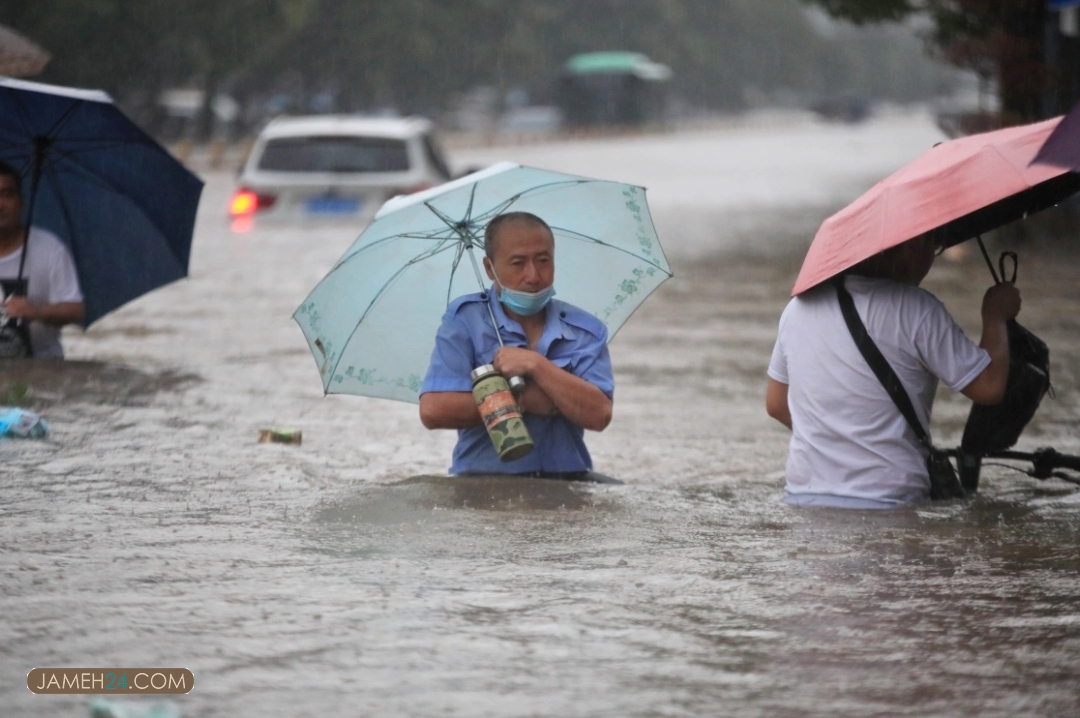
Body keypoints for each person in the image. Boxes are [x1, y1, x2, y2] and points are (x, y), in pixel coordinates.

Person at [765, 232, 1021, 508]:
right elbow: (989, 386)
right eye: (928, 245)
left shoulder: (797, 308)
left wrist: (838, 439)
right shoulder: (918, 310)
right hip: (890, 502)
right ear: (902, 250)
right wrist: (995, 316)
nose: (929, 258)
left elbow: (776, 404)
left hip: (804, 499)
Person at [419, 211, 614, 476]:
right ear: (490, 268)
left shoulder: (585, 330)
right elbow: (434, 410)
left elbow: (599, 414)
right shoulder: (465, 322)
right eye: (518, 263)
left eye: (543, 261)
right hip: (483, 484)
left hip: (568, 483)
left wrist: (536, 365)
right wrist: (524, 399)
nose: (533, 276)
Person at [0, 161, 85, 358]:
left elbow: (76, 309)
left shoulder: (49, 248)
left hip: (42, 366)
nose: (0, 204)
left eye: (7, 194)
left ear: (21, 202)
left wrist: (36, 310)